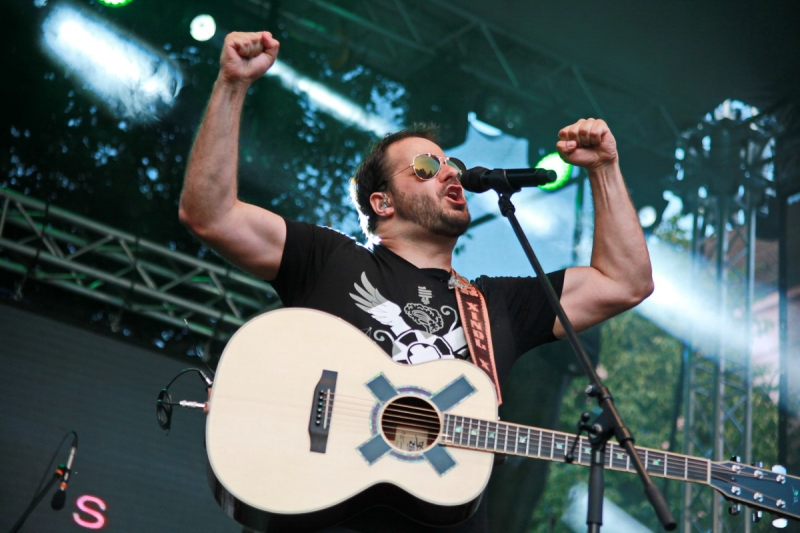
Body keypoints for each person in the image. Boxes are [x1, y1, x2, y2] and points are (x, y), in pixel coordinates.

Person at [180, 31, 653, 533]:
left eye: (454, 165)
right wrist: (231, 85)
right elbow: (210, 215)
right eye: (426, 167)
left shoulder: (496, 304)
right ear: (382, 202)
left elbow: (623, 282)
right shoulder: (329, 259)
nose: (450, 174)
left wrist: (605, 169)